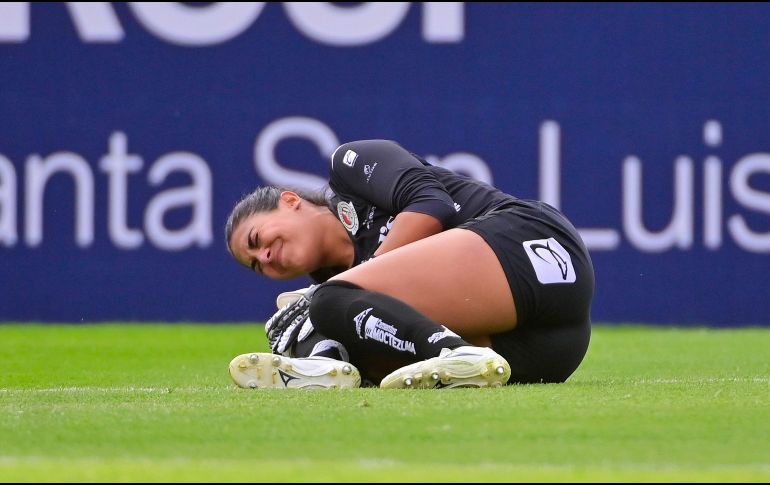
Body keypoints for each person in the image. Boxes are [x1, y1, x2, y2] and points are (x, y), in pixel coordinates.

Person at [225, 139, 594, 389]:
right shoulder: (339, 297)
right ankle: (329, 368)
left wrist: (337, 291)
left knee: (328, 304)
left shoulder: (349, 169)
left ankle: (452, 354)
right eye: (256, 266)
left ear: (290, 201)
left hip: (535, 244)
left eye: (256, 241)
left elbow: (432, 204)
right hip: (545, 349)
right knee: (338, 324)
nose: (265, 258)